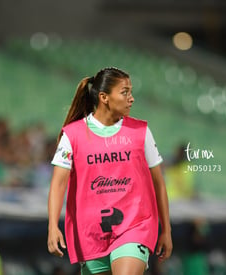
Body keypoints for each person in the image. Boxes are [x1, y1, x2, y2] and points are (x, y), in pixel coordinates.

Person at [47, 67, 172, 275]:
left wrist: (166, 229)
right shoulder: (73, 135)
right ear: (104, 97)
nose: (131, 99)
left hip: (134, 227)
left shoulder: (141, 132)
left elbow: (158, 182)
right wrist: (52, 226)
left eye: (131, 92)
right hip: (90, 232)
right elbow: (58, 184)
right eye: (125, 92)